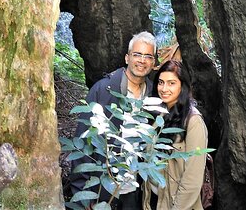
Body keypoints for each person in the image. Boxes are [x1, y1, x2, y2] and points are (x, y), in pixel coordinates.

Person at [69, 31, 158, 209]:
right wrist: (84, 195)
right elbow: (83, 141)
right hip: (103, 190)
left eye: (148, 56)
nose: (142, 60)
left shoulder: (154, 97)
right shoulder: (103, 90)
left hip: (135, 192)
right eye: (137, 55)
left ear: (153, 63)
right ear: (127, 58)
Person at [144, 60, 208, 210]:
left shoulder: (193, 122)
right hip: (154, 199)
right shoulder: (159, 115)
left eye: (171, 83)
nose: (164, 88)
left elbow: (192, 179)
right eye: (161, 82)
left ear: (182, 86)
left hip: (177, 204)